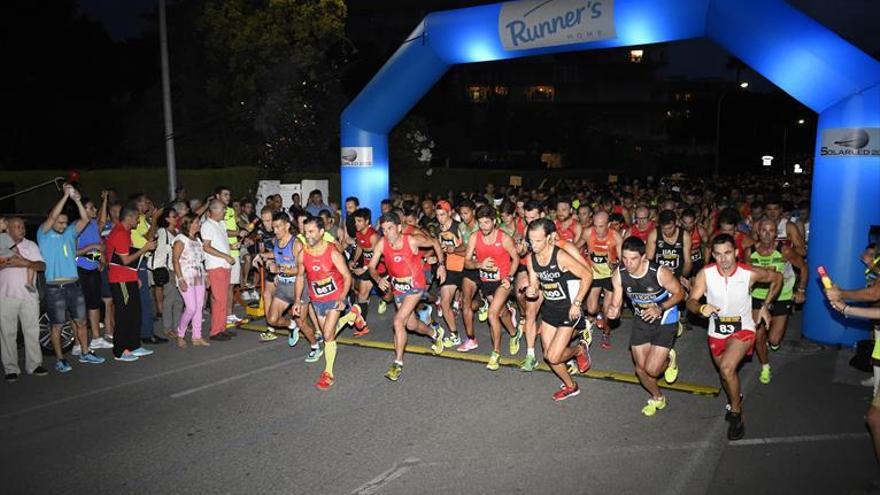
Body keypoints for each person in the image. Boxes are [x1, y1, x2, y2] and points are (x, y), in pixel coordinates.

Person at [686, 234, 782, 440]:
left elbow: (777, 278)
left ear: (736, 253)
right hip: (716, 331)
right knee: (725, 375)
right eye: (718, 254)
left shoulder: (749, 273)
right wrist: (701, 307)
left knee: (727, 368)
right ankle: (734, 396)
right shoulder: (706, 274)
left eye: (728, 253)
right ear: (713, 255)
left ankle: (737, 413)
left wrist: (766, 306)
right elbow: (691, 301)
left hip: (744, 328)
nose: (724, 259)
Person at [609, 236, 685, 416]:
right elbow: (616, 303)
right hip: (641, 318)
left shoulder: (659, 272)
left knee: (652, 369)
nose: (628, 263)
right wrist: (613, 311)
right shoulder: (619, 274)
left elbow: (680, 293)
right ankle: (657, 397)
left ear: (643, 257)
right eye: (625, 258)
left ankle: (668, 359)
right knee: (641, 370)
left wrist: (660, 307)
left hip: (666, 316)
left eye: (633, 259)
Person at [370, 212, 446, 381]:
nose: (387, 232)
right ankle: (434, 333)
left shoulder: (410, 240)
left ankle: (397, 364)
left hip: (415, 286)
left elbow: (434, 242)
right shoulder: (382, 244)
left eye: (390, 228)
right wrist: (378, 278)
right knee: (410, 325)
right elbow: (372, 267)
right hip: (399, 288)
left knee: (398, 321)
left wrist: (441, 265)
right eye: (383, 229)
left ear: (398, 228)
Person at [38, 185, 105, 372]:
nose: (61, 225)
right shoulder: (44, 234)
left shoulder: (69, 233)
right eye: (58, 222)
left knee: (81, 321)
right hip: (54, 286)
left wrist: (76, 199)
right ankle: (60, 359)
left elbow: (85, 218)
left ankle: (85, 352)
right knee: (57, 324)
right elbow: (52, 216)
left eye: (64, 222)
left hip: (73, 284)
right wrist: (66, 195)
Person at [525, 218, 593, 400]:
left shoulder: (560, 256)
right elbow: (535, 286)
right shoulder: (531, 259)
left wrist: (577, 303)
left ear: (550, 238)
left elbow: (587, 275)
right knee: (549, 356)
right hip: (550, 309)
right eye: (531, 240)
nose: (534, 245)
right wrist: (532, 291)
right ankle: (571, 386)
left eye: (538, 241)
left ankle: (579, 350)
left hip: (569, 309)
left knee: (554, 356)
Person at [293, 216, 355, 390]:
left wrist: (343, 297)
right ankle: (352, 315)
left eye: (312, 232)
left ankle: (328, 373)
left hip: (335, 297)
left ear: (322, 232)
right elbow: (299, 276)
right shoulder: (303, 253)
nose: (308, 236)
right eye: (306, 232)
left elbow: (347, 276)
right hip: (317, 300)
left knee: (327, 335)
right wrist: (297, 299)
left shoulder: (333, 252)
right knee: (329, 332)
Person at [749, 219, 807, 384]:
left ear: (776, 233)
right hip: (759, 296)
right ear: (758, 232)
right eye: (764, 230)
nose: (767, 234)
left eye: (771, 231)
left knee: (774, 340)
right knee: (758, 334)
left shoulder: (785, 251)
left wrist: (801, 290)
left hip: (782, 295)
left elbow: (803, 267)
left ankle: (772, 342)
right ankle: (765, 366)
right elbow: (746, 276)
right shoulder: (750, 252)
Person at [464, 205, 521, 371]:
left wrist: (510, 278)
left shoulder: (504, 238)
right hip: (486, 282)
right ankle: (514, 333)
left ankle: (495, 353)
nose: (483, 226)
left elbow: (515, 259)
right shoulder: (475, 237)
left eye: (487, 223)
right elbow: (467, 262)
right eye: (481, 223)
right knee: (502, 313)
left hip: (503, 281)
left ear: (494, 222)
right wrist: (479, 264)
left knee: (492, 314)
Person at [263, 212, 321, 361]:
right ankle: (291, 325)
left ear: (287, 226)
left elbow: (302, 270)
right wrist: (273, 267)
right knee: (272, 319)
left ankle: (315, 347)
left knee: (303, 323)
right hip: (283, 287)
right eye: (273, 227)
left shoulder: (296, 245)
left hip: (299, 288)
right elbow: (279, 261)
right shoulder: (276, 242)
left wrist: (280, 269)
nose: (275, 230)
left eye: (278, 227)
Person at [105, 206, 157, 362]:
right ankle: (120, 350)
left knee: (135, 313)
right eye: (136, 218)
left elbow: (125, 260)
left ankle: (134, 345)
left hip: (128, 277)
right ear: (129, 217)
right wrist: (145, 248)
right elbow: (125, 259)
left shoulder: (125, 232)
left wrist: (135, 276)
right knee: (124, 315)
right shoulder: (120, 233)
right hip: (121, 280)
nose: (138, 221)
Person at [0, 217, 48, 381]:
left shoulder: (31, 245)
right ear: (8, 229)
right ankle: (11, 369)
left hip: (29, 295)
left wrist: (24, 263)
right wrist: (7, 263)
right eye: (17, 226)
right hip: (5, 296)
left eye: (23, 226)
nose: (22, 229)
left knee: (32, 331)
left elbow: (41, 266)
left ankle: (34, 365)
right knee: (7, 334)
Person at [73, 196, 113, 352]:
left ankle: (96, 338)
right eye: (91, 208)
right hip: (79, 269)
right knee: (78, 308)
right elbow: (72, 252)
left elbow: (102, 222)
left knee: (95, 304)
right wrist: (93, 248)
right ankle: (77, 343)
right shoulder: (75, 227)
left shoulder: (93, 225)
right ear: (82, 210)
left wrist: (100, 258)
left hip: (93, 269)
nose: (95, 210)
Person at [583, 211, 623, 349]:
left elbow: (623, 260)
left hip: (610, 276)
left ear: (609, 224)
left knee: (608, 310)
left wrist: (615, 264)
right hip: (593, 274)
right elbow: (575, 247)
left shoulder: (616, 237)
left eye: (601, 226)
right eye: (595, 226)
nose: (598, 230)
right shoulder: (588, 233)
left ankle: (606, 333)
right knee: (591, 309)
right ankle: (596, 315)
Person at [171, 214, 210, 347]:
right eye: (197, 222)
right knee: (191, 307)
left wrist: (205, 275)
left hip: (198, 276)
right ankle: (180, 333)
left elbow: (200, 261)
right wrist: (180, 278)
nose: (199, 224)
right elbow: (175, 260)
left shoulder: (197, 240)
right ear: (189, 224)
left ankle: (197, 336)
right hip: (186, 276)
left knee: (199, 307)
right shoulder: (180, 239)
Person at [201, 199, 236, 341]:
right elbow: (206, 247)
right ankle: (215, 331)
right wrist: (225, 256)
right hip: (216, 266)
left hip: (224, 265)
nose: (225, 212)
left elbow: (220, 243)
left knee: (223, 300)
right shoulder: (207, 225)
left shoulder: (220, 224)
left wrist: (231, 248)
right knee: (219, 300)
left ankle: (221, 328)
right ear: (214, 211)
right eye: (223, 209)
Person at [153, 208, 184, 340]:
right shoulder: (162, 232)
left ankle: (177, 326)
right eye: (173, 216)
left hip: (177, 268)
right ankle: (167, 328)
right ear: (166, 219)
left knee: (179, 300)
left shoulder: (176, 232)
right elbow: (159, 252)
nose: (175, 218)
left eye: (176, 216)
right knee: (170, 299)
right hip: (167, 269)